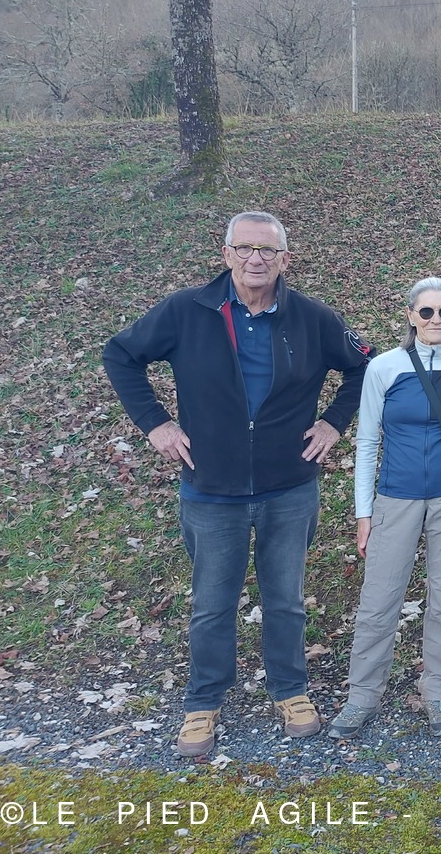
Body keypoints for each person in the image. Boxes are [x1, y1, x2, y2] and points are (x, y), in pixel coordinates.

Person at [102, 211, 372, 758]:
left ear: (284, 260)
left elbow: (365, 364)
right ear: (226, 254)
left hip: (288, 487)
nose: (256, 259)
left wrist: (333, 422)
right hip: (211, 489)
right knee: (212, 604)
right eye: (245, 248)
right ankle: (203, 701)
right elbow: (120, 355)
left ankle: (290, 691)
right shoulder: (186, 310)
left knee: (285, 600)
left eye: (267, 250)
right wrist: (156, 424)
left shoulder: (312, 317)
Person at [328, 277, 441, 739]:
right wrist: (364, 514)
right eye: (426, 311)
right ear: (410, 316)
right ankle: (362, 695)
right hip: (395, 498)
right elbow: (367, 442)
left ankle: (438, 690)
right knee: (378, 599)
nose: (436, 319)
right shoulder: (384, 367)